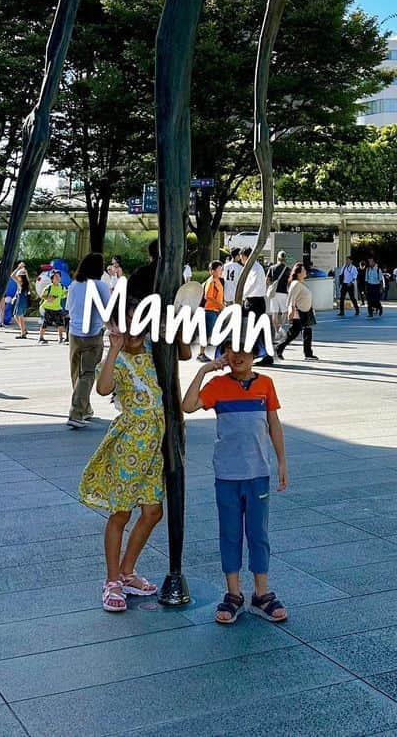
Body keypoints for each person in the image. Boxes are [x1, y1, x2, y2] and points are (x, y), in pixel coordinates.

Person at [182, 343, 288, 625]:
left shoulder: (265, 384)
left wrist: (281, 462)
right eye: (231, 350)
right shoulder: (217, 385)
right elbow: (187, 405)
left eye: (245, 351)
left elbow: (274, 423)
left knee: (258, 534)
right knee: (229, 533)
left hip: (258, 474)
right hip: (227, 475)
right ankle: (234, 594)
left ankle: (261, 594)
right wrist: (204, 370)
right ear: (224, 354)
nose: (238, 356)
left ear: (255, 355)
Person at [79, 306, 164, 613]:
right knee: (121, 513)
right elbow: (102, 389)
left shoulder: (156, 352)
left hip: (155, 445)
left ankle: (128, 572)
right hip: (129, 445)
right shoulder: (118, 359)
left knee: (153, 511)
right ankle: (112, 579)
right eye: (125, 322)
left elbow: (181, 354)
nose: (133, 328)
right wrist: (113, 350)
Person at [66, 252, 108, 429]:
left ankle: (86, 408)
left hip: (74, 333)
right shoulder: (101, 286)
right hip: (93, 333)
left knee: (76, 372)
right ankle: (76, 412)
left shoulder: (74, 285)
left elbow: (68, 307)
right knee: (88, 373)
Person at [275, 262, 317, 361]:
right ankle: (279, 348)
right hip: (299, 312)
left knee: (305, 331)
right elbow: (291, 299)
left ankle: (308, 354)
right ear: (298, 273)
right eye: (304, 270)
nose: (305, 272)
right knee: (294, 333)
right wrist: (291, 310)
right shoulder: (296, 284)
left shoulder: (300, 283)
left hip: (306, 311)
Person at [239, 247, 271, 365]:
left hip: (254, 301)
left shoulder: (255, 268)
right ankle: (262, 354)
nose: (241, 260)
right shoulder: (254, 268)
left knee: (255, 329)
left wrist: (241, 295)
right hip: (253, 301)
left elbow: (250, 286)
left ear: (247, 256)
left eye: (242, 257)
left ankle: (261, 354)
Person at [201, 260, 225, 362]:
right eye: (219, 270)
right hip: (210, 310)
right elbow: (208, 296)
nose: (221, 272)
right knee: (208, 333)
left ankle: (219, 354)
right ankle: (201, 354)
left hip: (215, 310)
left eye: (221, 269)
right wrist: (220, 305)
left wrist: (222, 304)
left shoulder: (218, 281)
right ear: (212, 271)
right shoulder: (211, 282)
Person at [265, 251, 291, 338]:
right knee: (285, 312)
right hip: (284, 293)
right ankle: (280, 327)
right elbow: (290, 282)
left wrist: (271, 286)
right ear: (285, 259)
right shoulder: (288, 269)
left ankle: (276, 332)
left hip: (274, 293)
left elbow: (267, 280)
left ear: (278, 258)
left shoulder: (272, 268)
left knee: (274, 313)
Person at [38, 269, 67, 344]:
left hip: (57, 308)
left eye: (59, 277)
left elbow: (64, 295)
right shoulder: (49, 287)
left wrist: (67, 293)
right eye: (55, 277)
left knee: (60, 324)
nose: (58, 278)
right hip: (48, 308)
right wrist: (48, 298)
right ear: (52, 279)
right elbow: (42, 296)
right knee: (45, 323)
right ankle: (41, 338)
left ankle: (60, 338)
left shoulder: (62, 287)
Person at [11, 265, 31, 338]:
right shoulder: (26, 283)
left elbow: (12, 275)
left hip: (20, 300)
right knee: (16, 315)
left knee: (20, 317)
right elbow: (27, 277)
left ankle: (23, 333)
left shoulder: (20, 283)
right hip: (23, 300)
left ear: (20, 277)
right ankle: (24, 329)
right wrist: (25, 270)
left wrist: (18, 268)